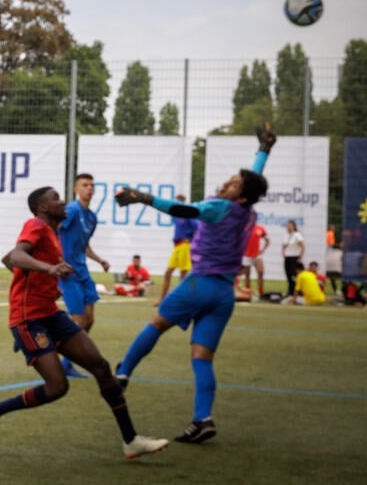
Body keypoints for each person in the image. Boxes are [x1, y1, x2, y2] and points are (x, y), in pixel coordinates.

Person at [0, 185, 167, 460]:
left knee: (101, 367)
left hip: (50, 314)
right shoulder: (36, 224)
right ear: (42, 208)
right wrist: (50, 270)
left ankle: (131, 440)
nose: (63, 201)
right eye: (56, 199)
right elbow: (17, 256)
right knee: (58, 387)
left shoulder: (53, 235)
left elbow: (8, 259)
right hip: (28, 319)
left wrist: (44, 282)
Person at [114, 124, 276, 444]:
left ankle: (122, 373)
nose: (228, 182)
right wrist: (264, 150)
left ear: (240, 195)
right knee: (202, 358)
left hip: (199, 284)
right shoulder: (247, 211)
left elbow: (182, 209)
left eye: (234, 183)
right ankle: (203, 418)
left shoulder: (218, 207)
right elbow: (252, 180)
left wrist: (140, 197)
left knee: (156, 324)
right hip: (223, 295)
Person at [58, 173, 111, 376]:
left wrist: (100, 260)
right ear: (76, 189)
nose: (89, 188)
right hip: (67, 273)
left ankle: (67, 363)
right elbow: (53, 230)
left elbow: (84, 245)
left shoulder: (91, 217)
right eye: (84, 185)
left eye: (91, 185)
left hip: (83, 272)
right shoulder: (71, 210)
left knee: (89, 321)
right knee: (79, 321)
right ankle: (56, 352)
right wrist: (56, 261)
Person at [156, 194, 195, 304]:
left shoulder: (188, 214)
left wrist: (192, 241)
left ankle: (182, 300)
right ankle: (162, 299)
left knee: (183, 274)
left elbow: (197, 228)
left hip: (185, 245)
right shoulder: (177, 216)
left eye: (178, 201)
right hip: (177, 246)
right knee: (168, 273)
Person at [240, 221, 270, 297]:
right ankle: (247, 292)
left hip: (257, 255)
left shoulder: (260, 228)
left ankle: (261, 291)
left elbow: (267, 240)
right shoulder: (243, 227)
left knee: (260, 272)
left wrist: (263, 249)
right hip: (246, 256)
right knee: (247, 275)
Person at [282, 220, 305, 296]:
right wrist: (283, 252)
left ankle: (295, 292)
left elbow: (302, 246)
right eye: (287, 225)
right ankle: (290, 291)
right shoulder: (286, 235)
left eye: (290, 225)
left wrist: (300, 257)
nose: (288, 227)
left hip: (294, 257)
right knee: (288, 275)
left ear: (294, 226)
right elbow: (284, 245)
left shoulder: (297, 235)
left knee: (293, 276)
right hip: (287, 257)